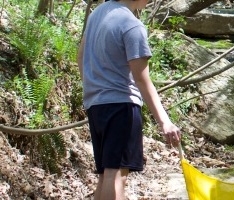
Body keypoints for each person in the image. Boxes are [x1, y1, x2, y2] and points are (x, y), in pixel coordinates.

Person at [77, 0, 181, 199]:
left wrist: (96, 87)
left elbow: (80, 57)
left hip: (95, 105)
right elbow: (142, 79)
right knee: (116, 176)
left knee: (106, 175)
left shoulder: (97, 14)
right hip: (121, 107)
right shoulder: (131, 25)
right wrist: (164, 122)